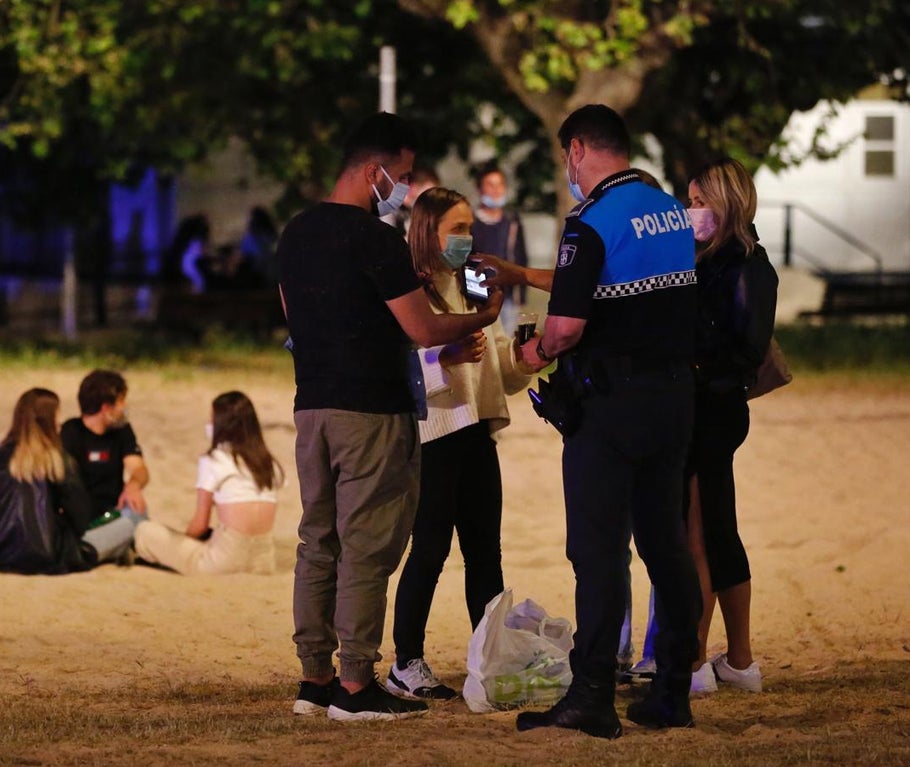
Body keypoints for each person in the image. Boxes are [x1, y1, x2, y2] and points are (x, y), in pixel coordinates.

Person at [278, 111, 504, 722]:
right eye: (400, 176)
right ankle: (355, 685)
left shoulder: (294, 234)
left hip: (311, 408)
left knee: (316, 541)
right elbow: (424, 328)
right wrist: (482, 318)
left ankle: (313, 679)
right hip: (371, 412)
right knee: (368, 546)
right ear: (376, 171)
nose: (401, 189)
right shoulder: (375, 239)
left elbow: (294, 321)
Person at [508, 104, 702, 738]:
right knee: (666, 546)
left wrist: (532, 353)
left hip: (611, 407)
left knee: (596, 550)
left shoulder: (589, 223)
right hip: (674, 401)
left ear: (577, 150)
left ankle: (592, 694)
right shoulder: (670, 209)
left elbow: (565, 327)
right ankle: (673, 690)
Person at [386, 187, 532, 701]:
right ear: (429, 231)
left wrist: (530, 358)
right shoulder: (409, 291)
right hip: (434, 436)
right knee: (428, 550)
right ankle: (406, 662)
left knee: (485, 552)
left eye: (471, 228)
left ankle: (489, 658)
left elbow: (497, 371)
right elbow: (398, 369)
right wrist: (440, 361)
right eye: (459, 229)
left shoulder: (473, 287)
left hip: (477, 433)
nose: (469, 239)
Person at [680, 158, 777, 695]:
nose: (691, 211)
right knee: (717, 528)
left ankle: (694, 662)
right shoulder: (714, 259)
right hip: (710, 406)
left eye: (699, 201)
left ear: (727, 202)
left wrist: (690, 362)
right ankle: (738, 660)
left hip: (710, 410)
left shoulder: (744, 265)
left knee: (697, 534)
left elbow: (744, 346)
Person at [133, 391, 283, 574]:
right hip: (264, 561)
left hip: (225, 561)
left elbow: (199, 524)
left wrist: (182, 541)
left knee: (145, 531)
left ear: (222, 425)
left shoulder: (215, 460)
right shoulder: (268, 463)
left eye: (212, 420)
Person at [0, 388, 96, 575]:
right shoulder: (58, 462)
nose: (60, 422)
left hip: (0, 557)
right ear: (48, 421)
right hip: (51, 557)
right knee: (126, 524)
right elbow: (81, 517)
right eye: (57, 416)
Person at [60, 370, 150, 564]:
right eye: (121, 402)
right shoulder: (70, 432)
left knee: (138, 511)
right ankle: (102, 548)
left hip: (112, 513)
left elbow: (139, 469)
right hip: (79, 517)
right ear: (106, 407)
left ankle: (93, 549)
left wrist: (133, 485)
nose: (124, 408)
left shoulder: (122, 431)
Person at [472, 163, 529, 305]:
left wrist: (521, 294)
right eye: (490, 185)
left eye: (500, 184)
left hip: (507, 296)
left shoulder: (512, 220)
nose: (496, 190)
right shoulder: (470, 221)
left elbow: (521, 257)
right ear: (480, 189)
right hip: (479, 295)